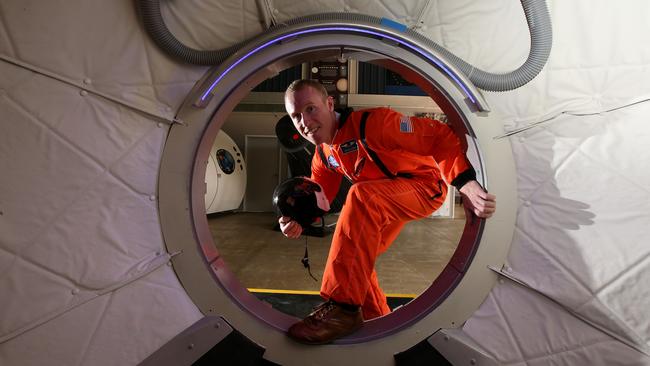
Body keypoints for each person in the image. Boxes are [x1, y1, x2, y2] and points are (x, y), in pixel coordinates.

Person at [279, 79, 496, 344]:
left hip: (425, 186)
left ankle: (343, 309)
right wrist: (297, 220)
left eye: (311, 109)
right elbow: (318, 198)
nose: (304, 121)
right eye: (296, 116)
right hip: (380, 199)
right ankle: (377, 322)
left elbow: (438, 136)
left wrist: (465, 182)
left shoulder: (374, 124)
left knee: (360, 196)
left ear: (330, 104)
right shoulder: (323, 154)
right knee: (356, 256)